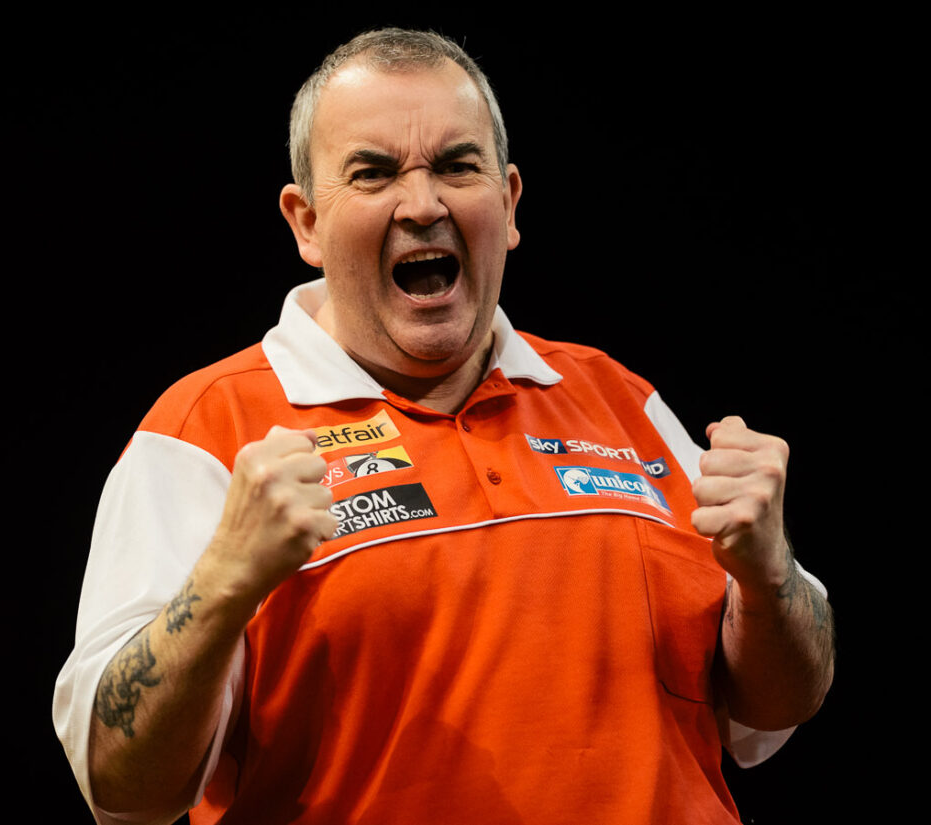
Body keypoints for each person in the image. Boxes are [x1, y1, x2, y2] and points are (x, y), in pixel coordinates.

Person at [53, 28, 835, 824]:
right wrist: (223, 583)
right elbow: (120, 786)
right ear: (307, 223)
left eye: (458, 166)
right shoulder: (204, 430)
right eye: (374, 172)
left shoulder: (621, 400)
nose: (424, 204)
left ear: (510, 202)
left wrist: (770, 572)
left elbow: (777, 705)